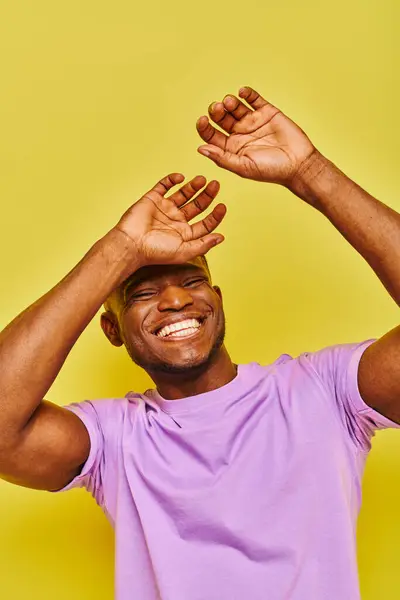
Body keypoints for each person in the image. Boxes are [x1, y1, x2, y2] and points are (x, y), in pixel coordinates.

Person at [0, 86, 399, 600]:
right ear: (113, 330)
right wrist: (118, 250)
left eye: (191, 282)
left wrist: (311, 174)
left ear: (217, 299)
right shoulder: (116, 439)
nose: (173, 300)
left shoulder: (323, 393)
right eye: (141, 292)